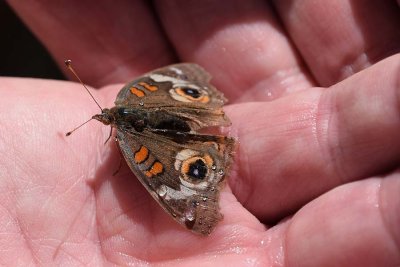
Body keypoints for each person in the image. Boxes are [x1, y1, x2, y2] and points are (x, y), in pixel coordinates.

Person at [1, 1, 399, 266]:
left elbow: (179, 77)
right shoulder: (130, 99)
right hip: (172, 116)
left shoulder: (126, 128)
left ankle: (203, 148)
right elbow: (172, 80)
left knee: (152, 167)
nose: (104, 120)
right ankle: (203, 148)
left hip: (165, 129)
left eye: (104, 120)